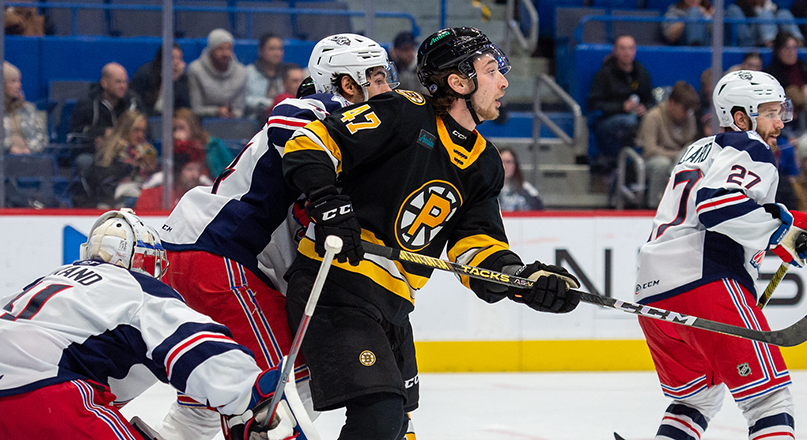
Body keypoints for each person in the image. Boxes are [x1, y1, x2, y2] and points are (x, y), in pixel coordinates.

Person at [281, 27, 581, 440]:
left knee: (399, 430)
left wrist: (524, 281)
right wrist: (329, 202)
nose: (504, 81)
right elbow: (310, 141)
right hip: (336, 285)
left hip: (395, 305)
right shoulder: (404, 112)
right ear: (458, 82)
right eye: (492, 70)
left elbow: (475, 247)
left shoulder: (485, 164)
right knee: (379, 419)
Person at [159, 33, 403, 439]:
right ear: (347, 84)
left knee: (211, 387)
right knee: (288, 380)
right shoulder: (327, 110)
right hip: (219, 256)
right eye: (377, 77)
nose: (388, 89)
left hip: (196, 253)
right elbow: (287, 117)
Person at [0, 209, 314, 440]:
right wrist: (253, 394)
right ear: (145, 261)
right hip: (43, 403)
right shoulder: (133, 285)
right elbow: (201, 349)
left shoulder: (47, 281)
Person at [635, 70, 807, 440]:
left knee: (696, 401)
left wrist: (779, 230)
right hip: (706, 283)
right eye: (769, 113)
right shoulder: (752, 147)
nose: (779, 123)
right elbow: (717, 206)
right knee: (768, 402)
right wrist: (779, 230)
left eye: (780, 112)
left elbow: (712, 206)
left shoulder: (699, 148)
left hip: (653, 295)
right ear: (741, 117)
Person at [588, 35, 654, 168]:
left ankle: (645, 162)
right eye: (623, 48)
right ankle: (620, 164)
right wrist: (622, 107)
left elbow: (650, 99)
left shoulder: (641, 72)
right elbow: (593, 104)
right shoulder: (604, 75)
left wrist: (645, 108)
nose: (627, 52)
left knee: (652, 118)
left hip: (636, 118)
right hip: (607, 121)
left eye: (630, 48)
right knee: (628, 122)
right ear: (615, 51)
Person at [638, 81, 700, 208]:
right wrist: (676, 155)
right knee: (662, 164)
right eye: (684, 109)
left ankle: (686, 204)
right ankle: (654, 205)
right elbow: (650, 150)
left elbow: (690, 142)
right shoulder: (653, 116)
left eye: (689, 110)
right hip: (652, 161)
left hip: (677, 160)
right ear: (672, 103)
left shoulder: (689, 118)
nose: (686, 114)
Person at [81, 110, 157, 208]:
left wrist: (151, 171)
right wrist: (129, 166)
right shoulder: (109, 152)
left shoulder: (147, 151)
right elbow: (102, 182)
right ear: (125, 129)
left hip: (141, 198)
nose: (140, 135)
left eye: (143, 131)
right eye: (136, 130)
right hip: (114, 202)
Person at [0, 63, 47, 155]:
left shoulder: (29, 109)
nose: (18, 85)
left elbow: (42, 138)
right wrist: (8, 148)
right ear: (1, 85)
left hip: (30, 158)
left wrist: (30, 150)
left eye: (19, 81)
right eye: (13, 81)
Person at [69, 62, 147, 145]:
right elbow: (74, 133)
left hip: (127, 150)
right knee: (84, 158)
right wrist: (103, 132)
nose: (123, 86)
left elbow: (147, 130)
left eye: (125, 82)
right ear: (104, 83)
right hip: (94, 151)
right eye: (118, 82)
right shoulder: (88, 104)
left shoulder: (133, 101)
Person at [188, 29, 247, 119]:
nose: (226, 53)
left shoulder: (241, 72)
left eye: (229, 48)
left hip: (233, 124)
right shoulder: (195, 70)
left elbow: (240, 110)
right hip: (202, 123)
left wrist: (232, 113)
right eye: (220, 48)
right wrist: (216, 111)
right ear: (211, 50)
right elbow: (196, 108)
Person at [130, 43, 191, 114]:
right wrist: (169, 82)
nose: (177, 62)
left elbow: (185, 107)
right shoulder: (145, 74)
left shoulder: (182, 78)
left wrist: (174, 81)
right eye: (172, 58)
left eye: (179, 58)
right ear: (162, 58)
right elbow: (157, 108)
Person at [172, 108, 231, 178]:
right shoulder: (172, 148)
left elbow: (232, 169)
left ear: (192, 127)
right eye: (174, 129)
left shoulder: (213, 144)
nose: (176, 134)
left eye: (181, 128)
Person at [135, 154, 207, 211]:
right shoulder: (154, 193)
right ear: (177, 172)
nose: (195, 175)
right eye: (189, 169)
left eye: (198, 170)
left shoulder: (204, 195)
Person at [724, 0, 803, 48]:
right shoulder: (735, 8)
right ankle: (771, 44)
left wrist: (771, 10)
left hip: (772, 37)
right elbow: (744, 39)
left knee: (784, 13)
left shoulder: (769, 6)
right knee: (765, 15)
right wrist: (760, 12)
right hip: (749, 43)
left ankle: (797, 42)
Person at [245, 34, 286, 119]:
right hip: (254, 120)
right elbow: (243, 100)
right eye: (272, 49)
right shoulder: (248, 72)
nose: (277, 53)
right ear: (261, 51)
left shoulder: (286, 73)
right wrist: (269, 104)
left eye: (279, 49)